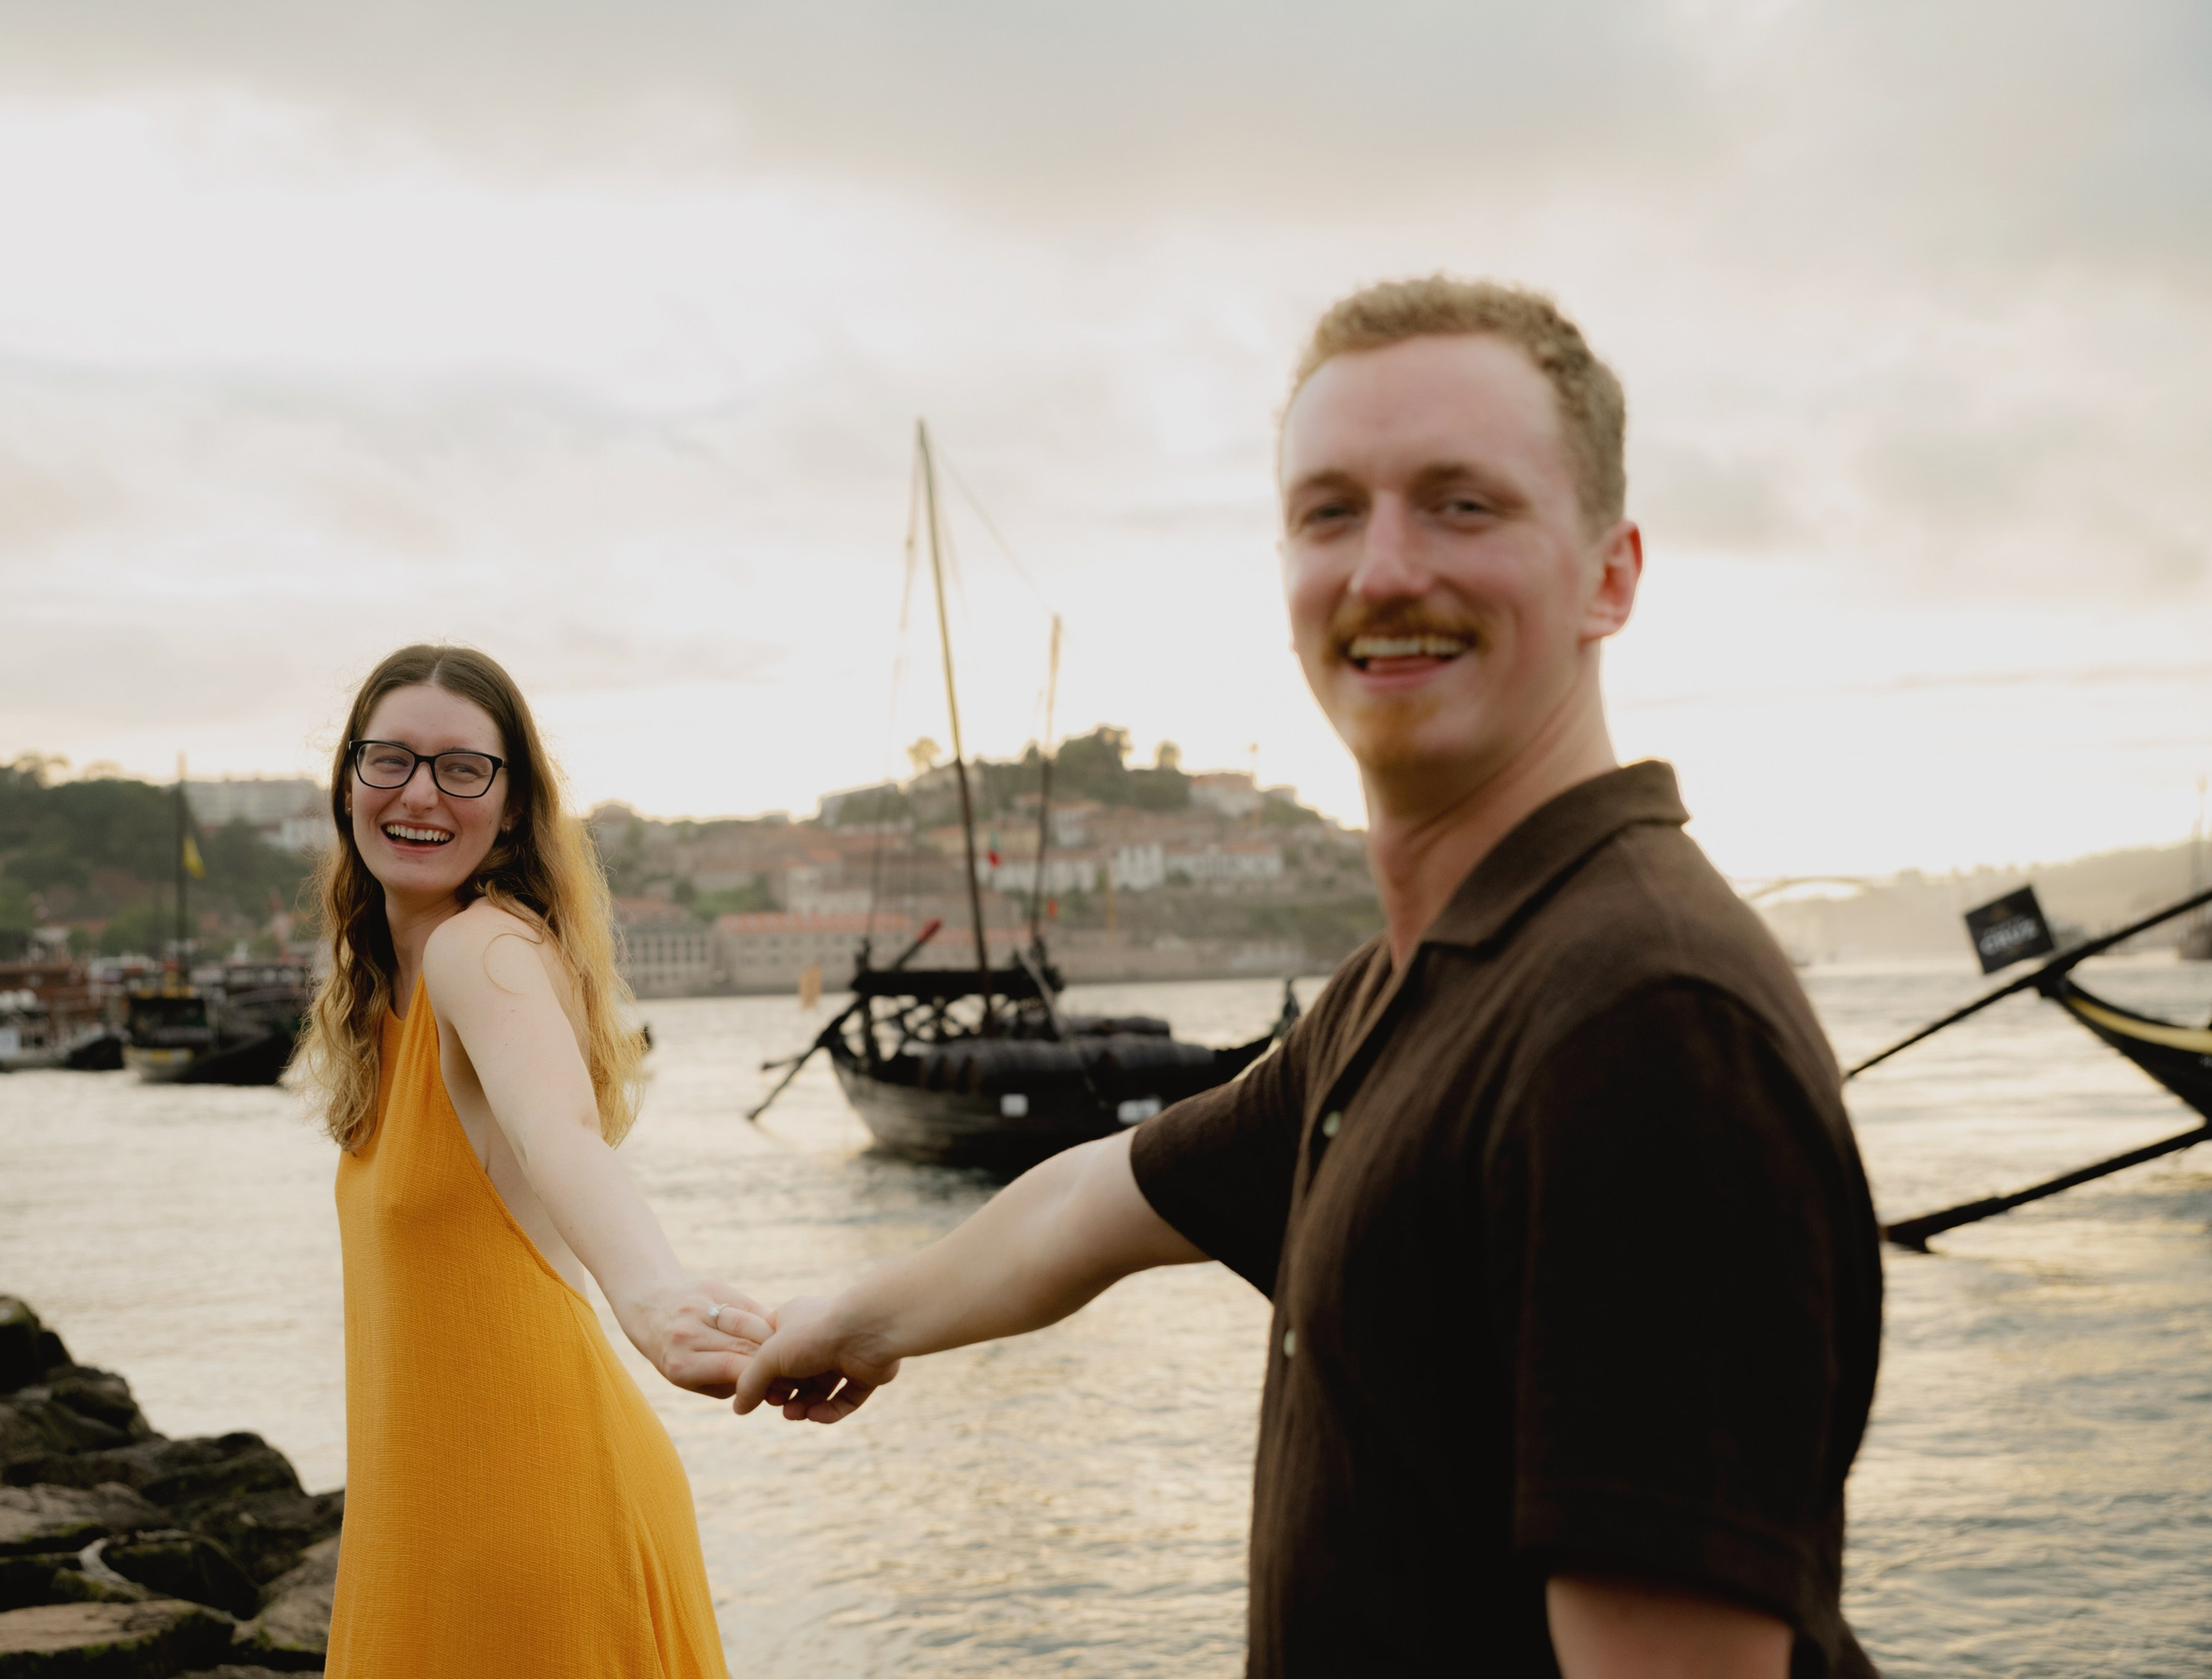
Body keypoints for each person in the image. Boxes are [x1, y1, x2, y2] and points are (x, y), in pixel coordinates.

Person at [735, 278, 1884, 1678]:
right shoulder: (1412, 986)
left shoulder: (1638, 1023)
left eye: (1464, 503)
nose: (1385, 569)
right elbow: (1103, 1196)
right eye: (1331, 510)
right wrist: (854, 1319)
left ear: (1611, 573)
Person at [304, 643, 767, 1678]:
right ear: (349, 785)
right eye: (390, 760)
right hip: (431, 1522)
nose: (420, 793)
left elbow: (558, 1133)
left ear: (512, 808)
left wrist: (654, 1297)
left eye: (462, 768)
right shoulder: (389, 993)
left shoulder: (483, 950)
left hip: (535, 1510)